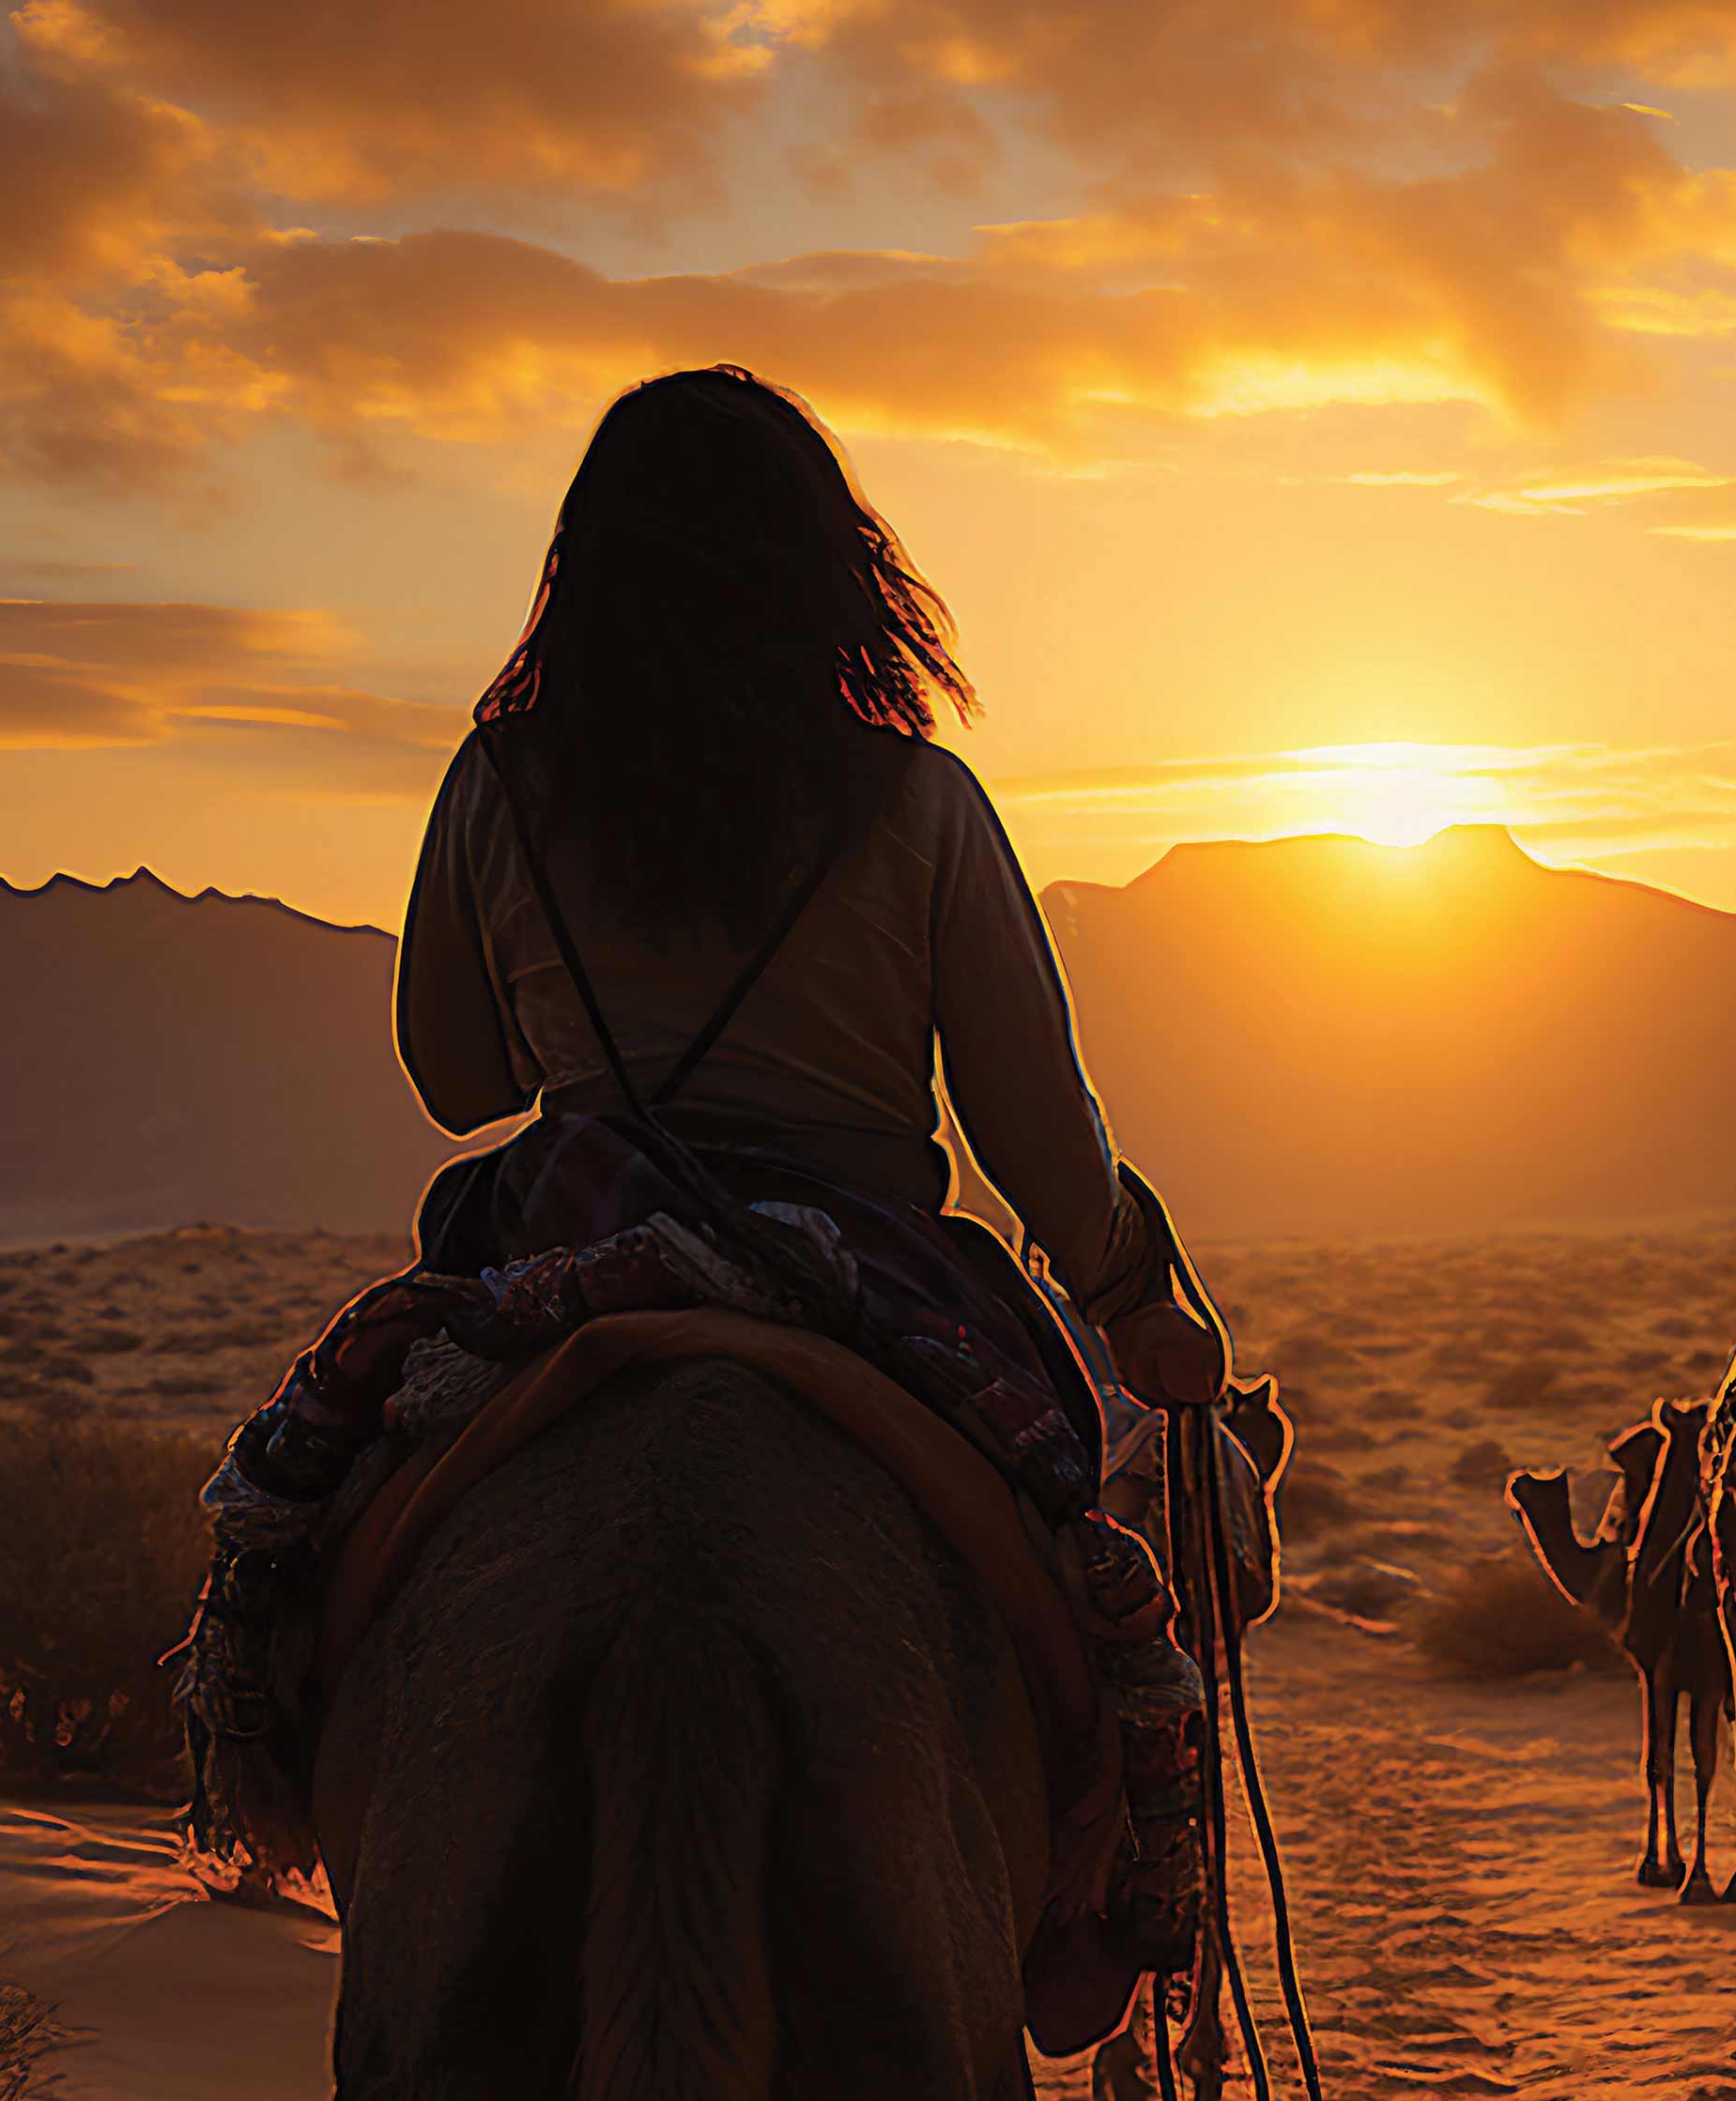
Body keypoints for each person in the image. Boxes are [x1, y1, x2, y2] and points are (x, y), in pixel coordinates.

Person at [392, 362, 1223, 1415]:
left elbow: (460, 1087)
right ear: (825, 567)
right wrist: (1129, 1295)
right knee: (1065, 1522)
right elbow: (1024, 1111)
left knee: (322, 1496)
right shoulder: (919, 796)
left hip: (573, 1227)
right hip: (861, 1251)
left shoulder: (498, 779)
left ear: (588, 561)